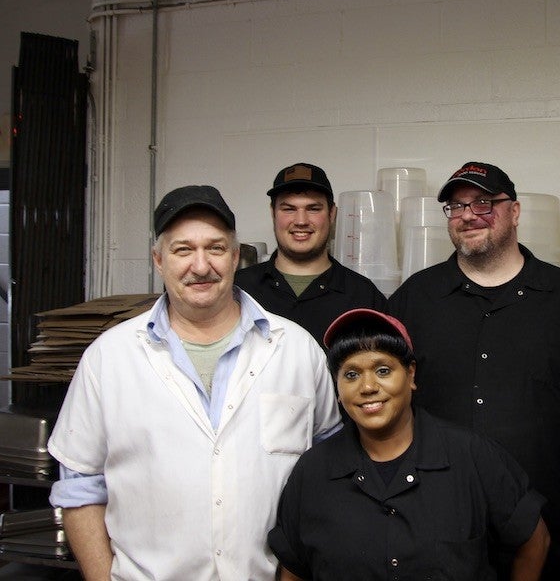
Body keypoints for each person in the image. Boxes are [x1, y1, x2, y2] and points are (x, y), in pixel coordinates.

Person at [47, 185, 343, 581]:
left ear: (236, 257)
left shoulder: (297, 350)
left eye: (216, 249)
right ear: (158, 260)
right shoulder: (109, 357)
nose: (201, 266)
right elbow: (79, 489)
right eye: (183, 250)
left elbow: (329, 472)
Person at [387, 162, 560, 580]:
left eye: (483, 203)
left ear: (515, 211)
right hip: (440, 530)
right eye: (456, 206)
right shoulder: (415, 299)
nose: (468, 215)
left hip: (553, 529)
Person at [268, 308, 550, 580]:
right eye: (351, 374)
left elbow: (535, 540)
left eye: (383, 370)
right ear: (337, 388)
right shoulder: (313, 472)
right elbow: (294, 569)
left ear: (411, 374)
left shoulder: (472, 457)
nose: (367, 387)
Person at [235, 162, 387, 347]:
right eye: (289, 209)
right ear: (273, 213)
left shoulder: (364, 297)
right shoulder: (237, 290)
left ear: (332, 214)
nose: (301, 221)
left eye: (313, 209)